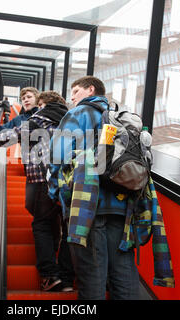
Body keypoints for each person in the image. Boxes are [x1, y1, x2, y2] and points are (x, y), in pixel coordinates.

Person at [48, 76, 140, 299]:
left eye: (76, 91)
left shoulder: (78, 114)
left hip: (87, 204)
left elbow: (57, 156)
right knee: (123, 271)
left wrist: (57, 194)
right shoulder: (121, 116)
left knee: (92, 273)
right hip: (122, 204)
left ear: (91, 90)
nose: (72, 98)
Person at [0, 91, 74, 292]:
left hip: (44, 179)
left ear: (44, 103)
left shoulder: (42, 116)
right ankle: (67, 279)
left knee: (42, 223)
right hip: (70, 181)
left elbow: (15, 134)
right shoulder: (71, 119)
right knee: (67, 228)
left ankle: (49, 275)